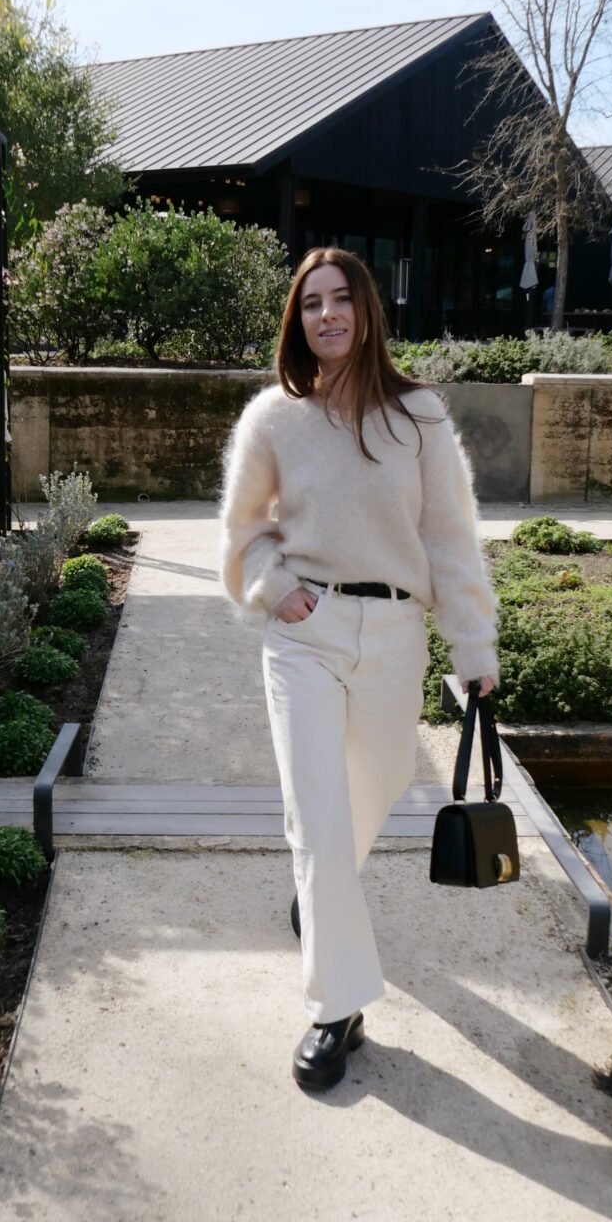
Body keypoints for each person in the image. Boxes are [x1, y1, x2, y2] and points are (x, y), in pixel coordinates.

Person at [219, 247, 499, 1093]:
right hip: (304, 633)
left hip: (393, 637)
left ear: (368, 310)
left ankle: (320, 899)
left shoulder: (420, 415)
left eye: (342, 299)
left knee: (368, 799)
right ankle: (336, 1007)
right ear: (297, 321)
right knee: (317, 812)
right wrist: (274, 586)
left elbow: (450, 536)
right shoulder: (274, 417)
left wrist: (472, 647)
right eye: (312, 304)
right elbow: (242, 529)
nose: (328, 315)